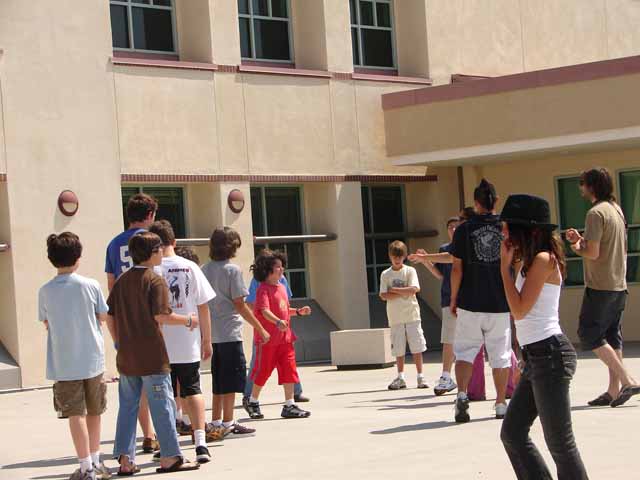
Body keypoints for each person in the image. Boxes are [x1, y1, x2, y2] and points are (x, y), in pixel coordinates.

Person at [499, 194, 589, 479]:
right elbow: (522, 316)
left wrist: (503, 269)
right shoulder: (528, 261)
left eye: (509, 228)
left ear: (529, 230)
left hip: (551, 355)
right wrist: (522, 358)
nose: (505, 234)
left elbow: (520, 310)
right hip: (536, 357)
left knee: (560, 444)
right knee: (512, 433)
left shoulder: (544, 260)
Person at [106, 232, 200, 475]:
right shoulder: (155, 280)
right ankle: (170, 457)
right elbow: (161, 316)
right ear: (151, 253)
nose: (162, 252)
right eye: (159, 249)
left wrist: (118, 342)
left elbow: (110, 315)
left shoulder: (122, 280)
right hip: (152, 356)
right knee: (163, 406)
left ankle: (125, 460)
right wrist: (188, 320)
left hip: (127, 357)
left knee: (128, 407)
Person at [566, 167, 640, 407]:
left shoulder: (595, 213)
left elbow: (593, 253)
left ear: (591, 186)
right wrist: (581, 240)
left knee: (588, 333)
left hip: (600, 285)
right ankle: (613, 390)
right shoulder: (616, 209)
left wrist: (576, 246)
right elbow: (603, 247)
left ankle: (628, 381)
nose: (580, 188)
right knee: (611, 336)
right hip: (618, 284)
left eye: (582, 183)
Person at [38, 233, 110, 480]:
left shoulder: (45, 290)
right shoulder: (91, 285)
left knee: (75, 414)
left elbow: (46, 322)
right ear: (78, 257)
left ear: (51, 258)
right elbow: (103, 315)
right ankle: (96, 461)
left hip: (64, 362)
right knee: (95, 410)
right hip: (93, 359)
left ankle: (85, 466)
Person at [149, 220, 216, 463]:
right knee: (192, 389)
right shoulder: (190, 267)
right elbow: (203, 305)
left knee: (165, 395)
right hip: (188, 342)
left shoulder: (151, 269)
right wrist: (207, 339)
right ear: (174, 242)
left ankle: (169, 443)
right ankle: (200, 442)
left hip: (160, 344)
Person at [450, 179, 512, 422]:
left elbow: (457, 268)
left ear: (475, 203)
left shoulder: (464, 229)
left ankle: (462, 395)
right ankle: (500, 402)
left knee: (465, 352)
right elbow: (516, 263)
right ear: (496, 200)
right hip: (500, 302)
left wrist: (454, 298)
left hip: (470, 301)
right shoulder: (506, 228)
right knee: (500, 354)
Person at [200, 227, 270, 438]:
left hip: (212, 332)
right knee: (230, 381)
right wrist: (260, 327)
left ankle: (215, 421)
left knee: (218, 380)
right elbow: (240, 304)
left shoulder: (204, 269)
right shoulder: (233, 270)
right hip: (229, 331)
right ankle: (229, 423)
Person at [104, 193, 158, 454]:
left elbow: (111, 284)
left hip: (124, 315)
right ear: (149, 215)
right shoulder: (151, 240)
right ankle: (161, 433)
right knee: (157, 378)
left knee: (132, 381)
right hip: (149, 313)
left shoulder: (114, 243)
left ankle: (147, 433)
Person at [245, 249, 312, 419]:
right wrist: (277, 322)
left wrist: (298, 312)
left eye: (282, 266)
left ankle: (289, 405)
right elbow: (264, 310)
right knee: (263, 371)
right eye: (278, 267)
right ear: (267, 270)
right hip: (267, 340)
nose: (282, 269)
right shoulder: (263, 289)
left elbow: (284, 310)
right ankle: (253, 401)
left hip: (285, 339)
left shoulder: (282, 287)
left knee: (289, 370)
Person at [410, 216, 459, 395]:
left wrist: (426, 257)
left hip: (468, 300)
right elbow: (440, 275)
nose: (453, 229)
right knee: (449, 339)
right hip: (448, 300)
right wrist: (426, 261)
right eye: (450, 227)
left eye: (456, 226)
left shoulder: (467, 248)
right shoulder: (444, 249)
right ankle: (446, 376)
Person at [380, 240, 428, 390]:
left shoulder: (410, 271)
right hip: (395, 317)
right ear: (390, 256)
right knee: (398, 348)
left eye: (400, 256)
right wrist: (403, 291)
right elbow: (383, 295)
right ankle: (400, 376)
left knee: (417, 346)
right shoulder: (385, 274)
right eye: (394, 256)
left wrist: (394, 290)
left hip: (412, 315)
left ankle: (420, 376)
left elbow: (414, 289)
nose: (397, 259)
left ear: (405, 256)